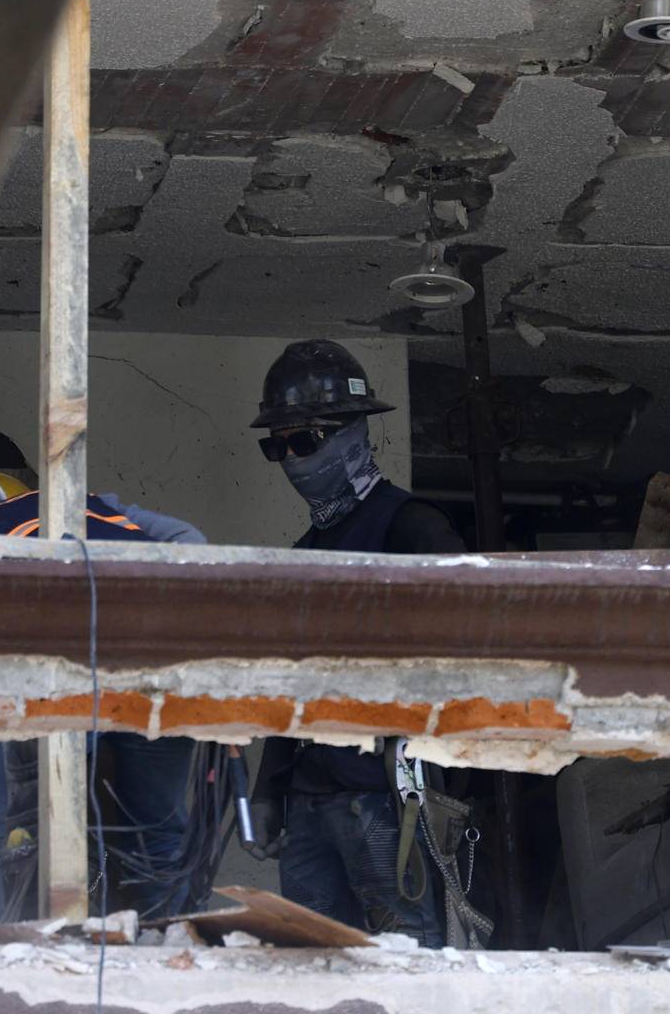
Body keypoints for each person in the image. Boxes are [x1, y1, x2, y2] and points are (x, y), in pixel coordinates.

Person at [0, 468, 208, 924]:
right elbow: (192, 541)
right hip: (165, 663)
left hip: (61, 674)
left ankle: (18, 959)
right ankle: (173, 942)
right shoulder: (71, 501)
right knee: (156, 835)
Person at [242, 340, 479, 947]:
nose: (290, 460)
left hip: (386, 793)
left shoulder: (411, 527)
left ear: (352, 433)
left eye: (304, 441)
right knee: (307, 962)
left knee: (403, 961)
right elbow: (291, 684)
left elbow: (470, 651)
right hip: (309, 803)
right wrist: (268, 790)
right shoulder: (305, 553)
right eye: (276, 446)